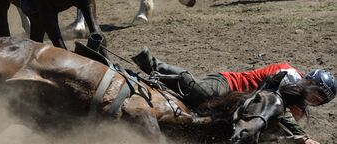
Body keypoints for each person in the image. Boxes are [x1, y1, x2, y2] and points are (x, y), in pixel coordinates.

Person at [132, 47, 336, 143]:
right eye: (317, 93)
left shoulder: (299, 111)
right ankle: (152, 64)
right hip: (228, 85)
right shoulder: (289, 74)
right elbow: (274, 104)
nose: (315, 100)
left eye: (320, 100)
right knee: (203, 93)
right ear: (309, 82)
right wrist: (306, 138)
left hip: (235, 110)